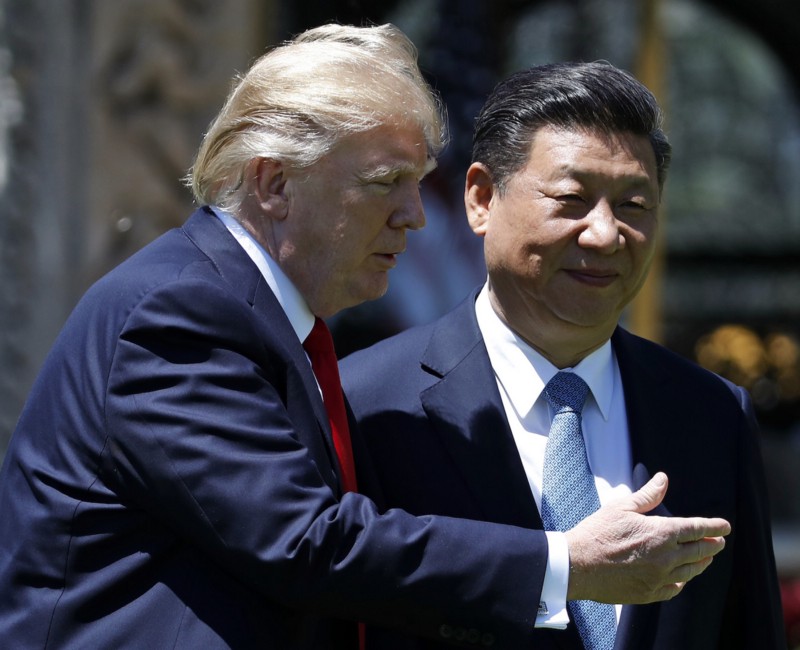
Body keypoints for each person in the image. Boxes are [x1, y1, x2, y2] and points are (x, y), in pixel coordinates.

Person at [341, 61, 786, 649]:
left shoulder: (711, 414)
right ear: (479, 199)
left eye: (634, 205)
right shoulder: (366, 403)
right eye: (572, 198)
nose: (605, 234)